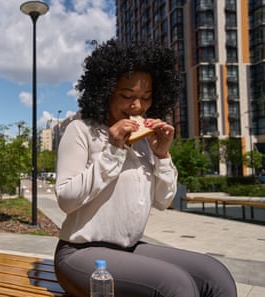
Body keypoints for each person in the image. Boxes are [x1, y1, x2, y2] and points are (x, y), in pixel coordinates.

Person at [54, 39, 237, 297]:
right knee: (175, 285)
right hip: (79, 252)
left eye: (145, 98)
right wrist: (113, 150)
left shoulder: (144, 143)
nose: (137, 107)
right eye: (127, 96)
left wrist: (161, 154)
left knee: (214, 274)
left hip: (129, 249)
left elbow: (163, 201)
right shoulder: (82, 131)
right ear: (105, 91)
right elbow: (66, 200)